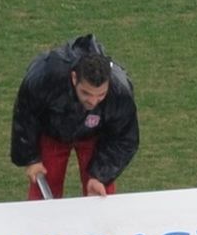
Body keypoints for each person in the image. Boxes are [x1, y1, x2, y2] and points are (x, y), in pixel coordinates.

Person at [10, 34, 139, 200]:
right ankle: (41, 224)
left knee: (100, 192)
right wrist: (31, 159)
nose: (93, 101)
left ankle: (101, 223)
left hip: (96, 137)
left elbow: (124, 139)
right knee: (44, 189)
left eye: (100, 95)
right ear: (74, 78)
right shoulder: (47, 76)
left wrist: (100, 175)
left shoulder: (120, 92)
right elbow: (25, 113)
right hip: (52, 132)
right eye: (86, 93)